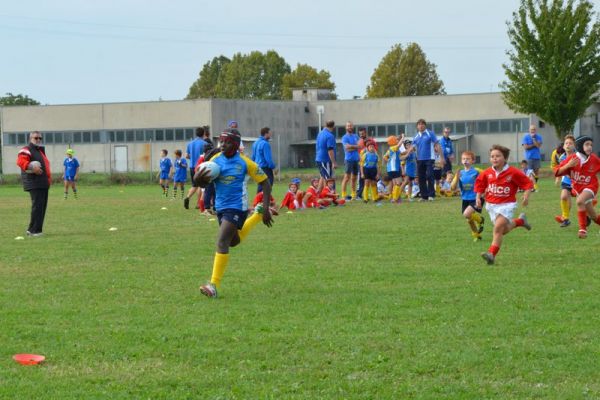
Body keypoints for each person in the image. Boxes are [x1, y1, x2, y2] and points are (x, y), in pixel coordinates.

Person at [196, 128, 274, 298]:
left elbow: (266, 183)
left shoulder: (245, 163)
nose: (223, 145)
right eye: (221, 141)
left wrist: (267, 206)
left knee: (222, 241)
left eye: (227, 142)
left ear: (236, 144)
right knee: (233, 242)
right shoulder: (215, 160)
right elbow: (199, 182)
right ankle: (256, 215)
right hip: (221, 208)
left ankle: (213, 286)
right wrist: (198, 178)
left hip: (237, 207)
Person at [475, 145, 533, 265]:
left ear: (505, 158)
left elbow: (527, 183)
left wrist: (526, 196)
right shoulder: (487, 173)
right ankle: (520, 221)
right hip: (491, 206)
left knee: (497, 228)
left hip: (507, 205)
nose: (494, 158)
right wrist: (478, 198)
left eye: (498, 156)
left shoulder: (513, 172)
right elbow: (480, 185)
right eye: (492, 156)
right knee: (503, 230)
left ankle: (491, 254)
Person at [554, 135, 600, 239]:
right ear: (579, 146)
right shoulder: (572, 159)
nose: (590, 147)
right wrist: (567, 166)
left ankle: (582, 230)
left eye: (591, 145)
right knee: (593, 216)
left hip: (591, 187)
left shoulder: (594, 159)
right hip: (579, 189)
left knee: (579, 201)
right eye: (587, 144)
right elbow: (556, 172)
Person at [16, 131, 52, 237]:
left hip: (42, 183)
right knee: (38, 206)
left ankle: (32, 230)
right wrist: (31, 166)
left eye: (40, 138)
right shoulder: (26, 149)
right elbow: (20, 161)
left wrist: (48, 180)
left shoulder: (39, 151)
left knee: (40, 207)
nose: (38, 140)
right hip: (35, 182)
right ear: (30, 138)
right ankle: (35, 231)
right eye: (36, 138)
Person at [451, 151, 484, 241]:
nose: (465, 160)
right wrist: (456, 178)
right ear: (461, 161)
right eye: (463, 159)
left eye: (468, 159)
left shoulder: (477, 171)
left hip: (476, 197)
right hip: (465, 198)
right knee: (469, 219)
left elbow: (487, 177)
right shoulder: (460, 173)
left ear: (473, 160)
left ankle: (480, 220)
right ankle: (476, 235)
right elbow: (452, 188)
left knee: (467, 214)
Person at [412, 118, 444, 201]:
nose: (421, 125)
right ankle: (424, 196)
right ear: (417, 126)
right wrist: (404, 154)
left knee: (430, 175)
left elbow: (437, 145)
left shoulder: (430, 133)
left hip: (430, 158)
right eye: (419, 124)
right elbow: (412, 148)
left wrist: (441, 158)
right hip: (419, 159)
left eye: (422, 124)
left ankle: (431, 195)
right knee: (421, 177)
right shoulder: (416, 136)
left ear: (425, 125)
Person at [554, 135, 576, 227]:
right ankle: (565, 218)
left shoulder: (577, 156)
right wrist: (558, 178)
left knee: (582, 201)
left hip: (577, 181)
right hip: (566, 180)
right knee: (564, 197)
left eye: (570, 143)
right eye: (566, 143)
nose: (568, 145)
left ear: (574, 146)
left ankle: (587, 215)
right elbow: (561, 169)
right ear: (563, 146)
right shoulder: (562, 157)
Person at [183, 127, 207, 209]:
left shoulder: (190, 143)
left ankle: (188, 198)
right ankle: (197, 203)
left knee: (195, 185)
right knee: (201, 185)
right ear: (203, 133)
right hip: (201, 167)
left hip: (192, 166)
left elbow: (186, 156)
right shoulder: (205, 144)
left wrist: (193, 158)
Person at [251, 127, 276, 194]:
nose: (271, 135)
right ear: (266, 134)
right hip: (265, 168)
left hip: (257, 167)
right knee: (267, 186)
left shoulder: (255, 143)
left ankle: (258, 202)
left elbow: (253, 157)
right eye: (270, 133)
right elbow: (268, 159)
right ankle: (264, 202)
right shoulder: (265, 144)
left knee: (260, 185)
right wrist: (273, 167)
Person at [315, 120, 337, 193]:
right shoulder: (330, 136)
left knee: (323, 176)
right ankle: (330, 195)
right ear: (333, 126)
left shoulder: (320, 133)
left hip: (319, 159)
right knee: (329, 179)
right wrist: (334, 162)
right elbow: (330, 150)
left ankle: (317, 193)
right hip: (325, 160)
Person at [340, 121, 360, 200]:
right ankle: (344, 195)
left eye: (351, 126)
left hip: (356, 159)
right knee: (347, 178)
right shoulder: (344, 137)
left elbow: (360, 145)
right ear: (346, 127)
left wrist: (352, 147)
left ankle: (353, 195)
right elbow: (347, 148)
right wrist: (356, 147)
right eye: (348, 126)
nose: (349, 127)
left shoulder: (356, 136)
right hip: (348, 160)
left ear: (353, 127)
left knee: (354, 178)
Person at [356, 127, 377, 199]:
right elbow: (359, 152)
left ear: (365, 133)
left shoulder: (372, 141)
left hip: (372, 165)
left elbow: (375, 151)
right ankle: (359, 194)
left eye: (363, 133)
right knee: (362, 179)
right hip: (363, 164)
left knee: (372, 181)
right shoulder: (359, 142)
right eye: (360, 134)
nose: (361, 135)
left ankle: (374, 196)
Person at [522, 124, 543, 191]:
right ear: (529, 130)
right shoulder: (525, 137)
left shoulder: (539, 137)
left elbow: (538, 146)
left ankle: (534, 187)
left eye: (534, 129)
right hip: (529, 157)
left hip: (537, 157)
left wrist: (534, 139)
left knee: (536, 173)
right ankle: (529, 186)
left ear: (535, 130)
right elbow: (526, 147)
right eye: (531, 129)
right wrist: (535, 144)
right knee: (529, 173)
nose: (532, 131)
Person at [383, 135, 402, 203]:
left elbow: (384, 156)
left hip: (391, 168)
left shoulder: (391, 149)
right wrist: (402, 138)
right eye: (395, 140)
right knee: (398, 183)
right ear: (393, 142)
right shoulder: (393, 147)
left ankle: (396, 198)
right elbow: (399, 145)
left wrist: (387, 160)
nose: (397, 141)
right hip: (394, 168)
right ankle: (395, 198)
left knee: (396, 183)